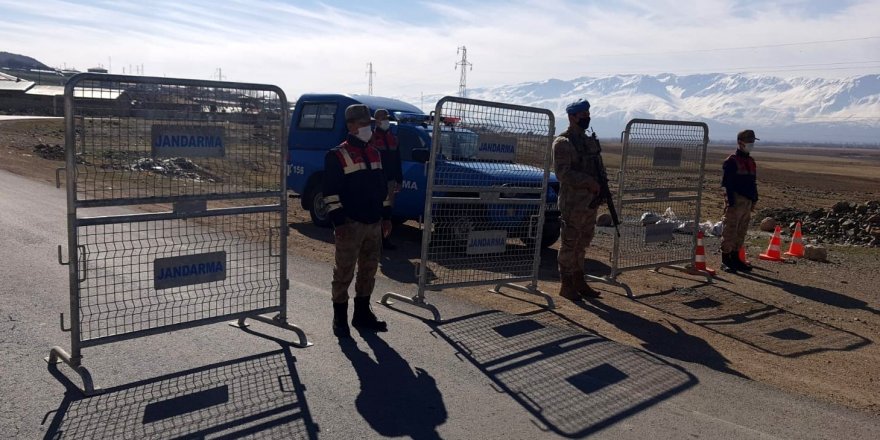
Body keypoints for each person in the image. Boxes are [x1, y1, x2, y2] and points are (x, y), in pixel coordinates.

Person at [324, 104, 393, 337]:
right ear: (351, 126)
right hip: (350, 224)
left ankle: (362, 314)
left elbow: (381, 190)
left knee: (368, 271)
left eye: (369, 124)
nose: (368, 128)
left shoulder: (375, 153)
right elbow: (330, 193)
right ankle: (340, 319)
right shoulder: (337, 155)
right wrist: (339, 222)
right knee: (344, 272)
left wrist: (386, 217)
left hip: (374, 223)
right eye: (364, 124)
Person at [552, 98, 604, 301]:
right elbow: (563, 173)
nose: (587, 118)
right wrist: (588, 181)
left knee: (583, 242)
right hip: (573, 203)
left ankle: (578, 279)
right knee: (570, 243)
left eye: (588, 114)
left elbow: (597, 167)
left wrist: (600, 187)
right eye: (583, 115)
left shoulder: (588, 140)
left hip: (590, 201)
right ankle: (566, 284)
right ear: (572, 117)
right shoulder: (563, 143)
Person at [720, 129, 759, 273]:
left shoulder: (750, 161)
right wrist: (730, 202)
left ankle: (735, 259)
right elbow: (726, 184)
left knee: (741, 232)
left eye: (752, 142)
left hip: (747, 202)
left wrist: (754, 198)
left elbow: (752, 182)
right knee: (730, 231)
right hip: (735, 201)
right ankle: (726, 260)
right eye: (749, 142)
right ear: (740, 143)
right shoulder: (731, 161)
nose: (751, 144)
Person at [369, 109, 403, 250]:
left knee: (387, 211)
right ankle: (373, 241)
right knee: (375, 211)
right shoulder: (371, 137)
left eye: (387, 118)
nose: (386, 121)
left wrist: (399, 180)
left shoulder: (393, 138)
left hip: (389, 181)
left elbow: (397, 161)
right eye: (383, 118)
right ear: (376, 120)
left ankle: (385, 239)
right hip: (375, 181)